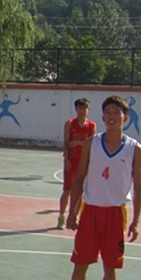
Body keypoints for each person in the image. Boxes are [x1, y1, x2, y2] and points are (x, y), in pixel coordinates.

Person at [53, 95, 141, 280]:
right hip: (90, 211)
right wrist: (72, 211)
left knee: (110, 267)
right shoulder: (91, 144)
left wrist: (136, 220)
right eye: (108, 113)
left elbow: (138, 186)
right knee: (80, 264)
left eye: (117, 113)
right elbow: (79, 179)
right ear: (103, 117)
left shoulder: (134, 149)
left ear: (125, 118)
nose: (112, 117)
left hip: (115, 214)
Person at [57, 98, 96, 229]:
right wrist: (66, 159)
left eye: (84, 108)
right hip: (72, 160)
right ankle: (61, 216)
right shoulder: (70, 124)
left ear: (88, 110)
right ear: (76, 109)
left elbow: (92, 145)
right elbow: (67, 143)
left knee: (80, 191)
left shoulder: (92, 126)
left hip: (83, 162)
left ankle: (75, 216)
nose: (82, 111)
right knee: (67, 190)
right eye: (79, 108)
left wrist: (91, 162)